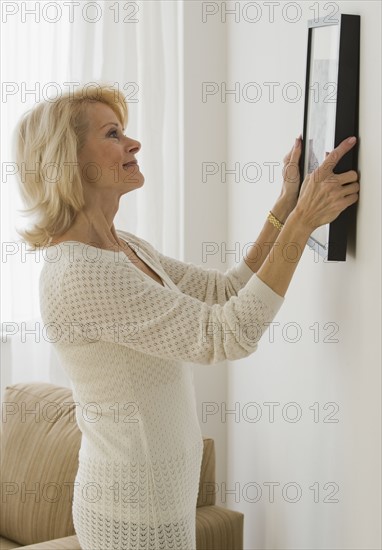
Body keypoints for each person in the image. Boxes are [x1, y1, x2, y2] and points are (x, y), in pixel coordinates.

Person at [14, 84, 359, 550]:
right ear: (69, 161)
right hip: (132, 519)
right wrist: (302, 225)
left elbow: (224, 292)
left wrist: (285, 208)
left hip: (161, 506)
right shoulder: (80, 273)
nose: (133, 144)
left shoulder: (122, 246)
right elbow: (226, 335)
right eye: (114, 134)